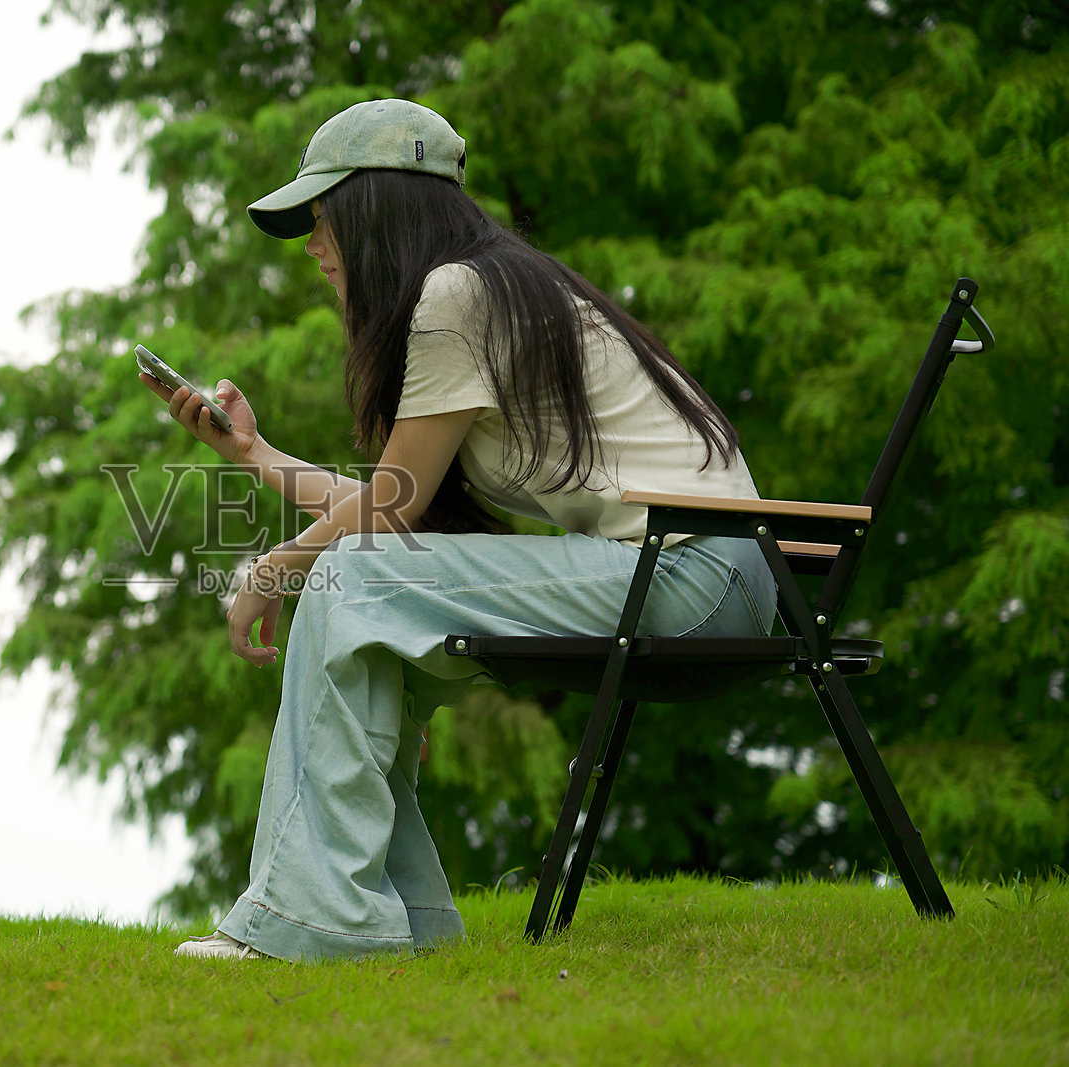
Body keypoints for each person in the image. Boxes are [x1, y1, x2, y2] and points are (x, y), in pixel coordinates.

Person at [140, 99, 777, 961]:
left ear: (378, 208)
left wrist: (273, 570)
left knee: (346, 576)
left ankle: (321, 922)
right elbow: (398, 500)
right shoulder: (486, 288)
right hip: (692, 573)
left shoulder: (457, 296)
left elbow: (387, 515)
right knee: (358, 581)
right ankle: (397, 924)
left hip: (695, 578)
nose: (313, 246)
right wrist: (253, 453)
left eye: (322, 218)